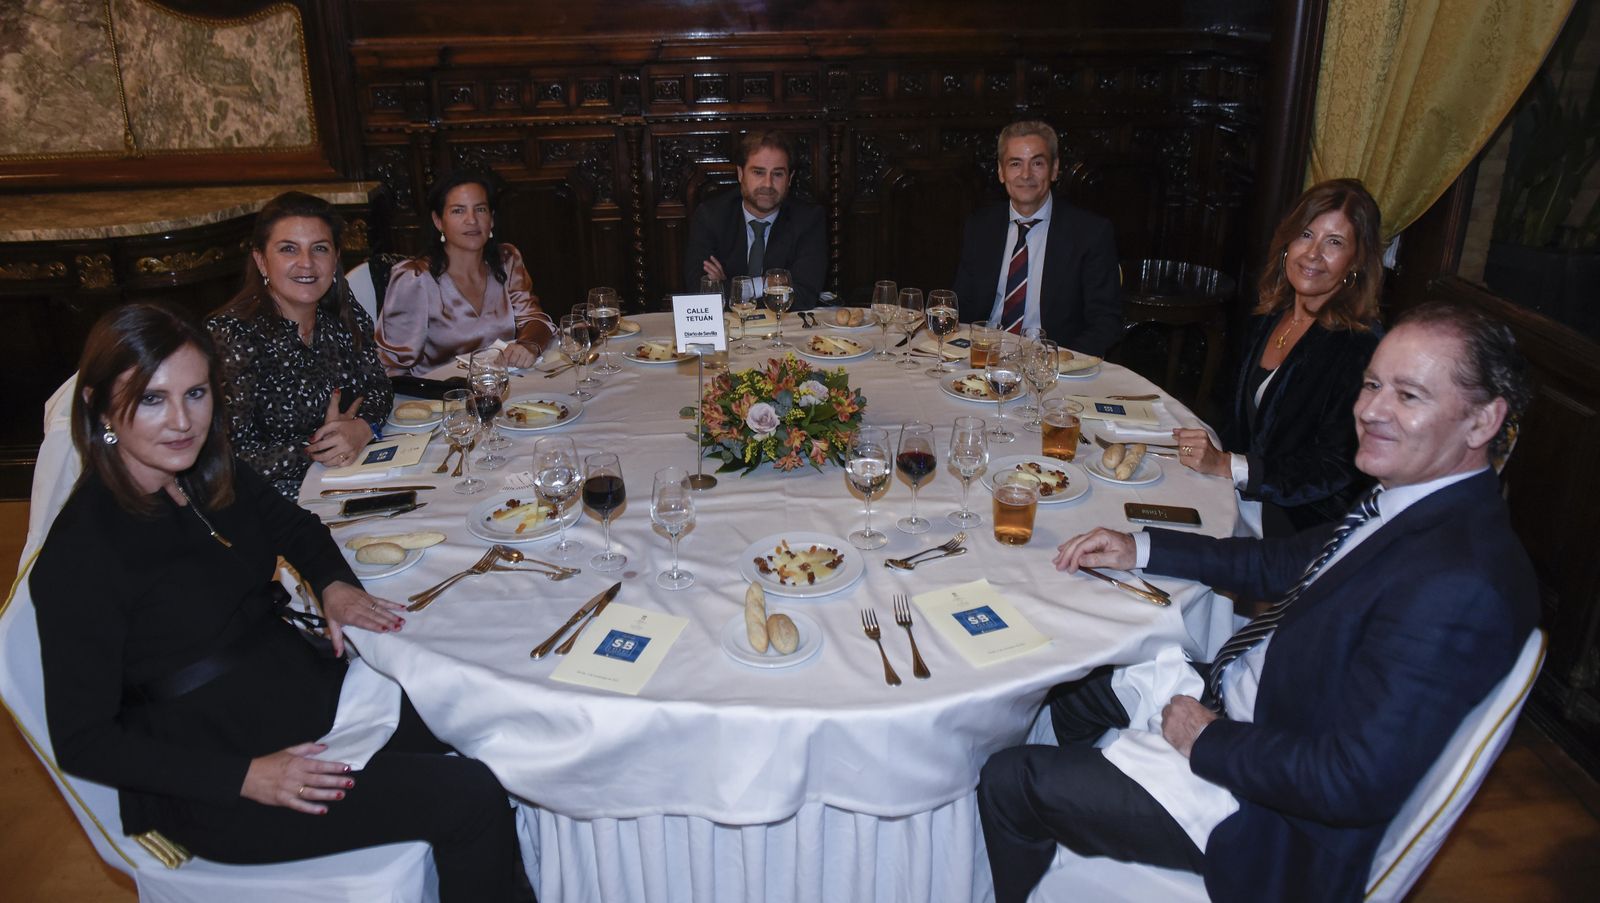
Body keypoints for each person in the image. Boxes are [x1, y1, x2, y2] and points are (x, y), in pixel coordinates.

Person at [977, 301, 1538, 903]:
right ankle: (1086, 819)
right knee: (1076, 677)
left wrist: (1207, 739)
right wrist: (1137, 547)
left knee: (1010, 781)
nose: (1370, 409)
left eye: (1409, 395)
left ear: (1481, 423)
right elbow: (1277, 563)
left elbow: (1353, 782)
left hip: (1259, 811)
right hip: (1250, 707)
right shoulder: (1417, 503)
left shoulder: (1459, 582)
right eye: (1372, 384)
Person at [31, 303, 522, 901]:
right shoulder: (82, 554)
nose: (182, 421)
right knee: (467, 797)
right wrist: (247, 777)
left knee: (485, 717)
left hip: (309, 700)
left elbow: (297, 529)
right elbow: (83, 740)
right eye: (153, 399)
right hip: (222, 783)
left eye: (196, 393)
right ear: (99, 406)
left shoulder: (207, 472)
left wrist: (335, 585)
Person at [1172, 178, 1383, 536]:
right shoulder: (1270, 316)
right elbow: (1231, 417)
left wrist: (1230, 467)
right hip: (1239, 494)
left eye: (1334, 242)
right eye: (1306, 235)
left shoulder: (1359, 346)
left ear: (1357, 261)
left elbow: (1335, 467)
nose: (1313, 254)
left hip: (1300, 522)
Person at [208, 191, 393, 499]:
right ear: (261, 260)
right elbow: (225, 456)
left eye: (319, 249)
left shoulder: (341, 316)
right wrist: (320, 446)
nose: (306, 263)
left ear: (334, 259)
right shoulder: (233, 336)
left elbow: (379, 387)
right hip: (273, 499)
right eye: (288, 249)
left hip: (346, 475)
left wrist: (362, 428)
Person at [951, 120, 1123, 356]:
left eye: (1038, 163)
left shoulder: (1090, 233)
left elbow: (1106, 321)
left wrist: (1058, 361)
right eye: (1015, 164)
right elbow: (961, 306)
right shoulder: (981, 226)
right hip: (984, 356)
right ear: (1001, 172)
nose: (1026, 175)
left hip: (1052, 364)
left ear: (1054, 170)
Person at [376, 170, 555, 376]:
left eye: (480, 209)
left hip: (505, 388)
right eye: (458, 211)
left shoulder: (507, 260)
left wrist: (530, 345)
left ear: (492, 219)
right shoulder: (414, 278)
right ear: (438, 221)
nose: (472, 220)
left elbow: (536, 320)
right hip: (439, 399)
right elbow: (390, 366)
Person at [681, 130, 826, 310]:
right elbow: (701, 291)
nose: (767, 184)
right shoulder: (710, 215)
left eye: (778, 174)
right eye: (758, 172)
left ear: (790, 179)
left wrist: (733, 288)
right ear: (741, 174)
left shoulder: (808, 220)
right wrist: (771, 283)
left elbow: (804, 295)